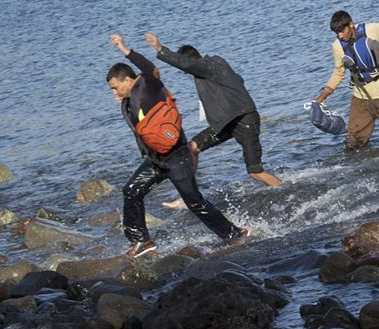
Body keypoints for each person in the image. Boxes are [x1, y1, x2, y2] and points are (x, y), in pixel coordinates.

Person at [107, 34, 245, 257]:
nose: (114, 92)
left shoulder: (148, 86)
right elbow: (140, 129)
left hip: (177, 156)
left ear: (127, 80)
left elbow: (149, 67)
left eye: (115, 87)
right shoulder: (130, 101)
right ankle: (142, 241)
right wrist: (124, 103)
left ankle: (235, 234)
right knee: (131, 190)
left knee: (194, 202)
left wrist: (125, 49)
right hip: (156, 159)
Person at [143, 32, 281, 210]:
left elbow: (189, 64)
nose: (186, 72)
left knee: (255, 172)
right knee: (192, 147)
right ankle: (189, 197)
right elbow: (238, 80)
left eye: (186, 69)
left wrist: (160, 49)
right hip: (227, 122)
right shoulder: (215, 67)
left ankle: (287, 190)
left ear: (189, 62)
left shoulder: (209, 65)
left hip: (244, 120)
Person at [315, 11, 379, 150]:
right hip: (360, 95)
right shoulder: (337, 46)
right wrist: (323, 96)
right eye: (337, 33)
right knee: (353, 144)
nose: (340, 35)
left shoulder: (370, 30)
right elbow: (338, 73)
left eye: (342, 31)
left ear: (351, 24)